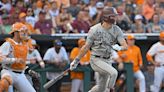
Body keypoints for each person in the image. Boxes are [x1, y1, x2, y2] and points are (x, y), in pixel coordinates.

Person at [70, 6, 128, 92]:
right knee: (113, 73)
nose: (115, 18)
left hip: (108, 60)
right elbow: (86, 47)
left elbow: (125, 45)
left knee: (101, 88)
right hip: (96, 59)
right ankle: (111, 89)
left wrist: (120, 47)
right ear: (106, 17)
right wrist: (76, 60)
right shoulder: (94, 29)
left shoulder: (116, 29)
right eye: (113, 16)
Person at [0, 22, 36, 92]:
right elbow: (1, 59)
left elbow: (22, 62)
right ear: (15, 33)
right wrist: (15, 60)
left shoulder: (25, 45)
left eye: (25, 31)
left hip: (20, 74)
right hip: (8, 71)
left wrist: (28, 70)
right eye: (22, 31)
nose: (25, 33)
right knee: (5, 82)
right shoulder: (8, 43)